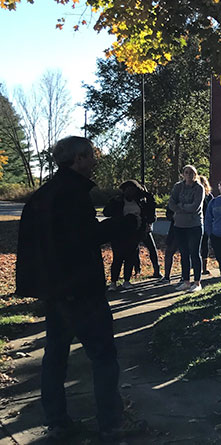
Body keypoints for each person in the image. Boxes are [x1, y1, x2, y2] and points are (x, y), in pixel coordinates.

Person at [16, 136, 138, 442]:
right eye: (91, 156)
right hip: (82, 289)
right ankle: (111, 424)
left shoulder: (43, 195)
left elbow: (34, 244)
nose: (95, 160)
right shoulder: (74, 194)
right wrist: (124, 223)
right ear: (78, 159)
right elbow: (84, 238)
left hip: (55, 291)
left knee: (55, 356)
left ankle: (57, 421)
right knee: (103, 356)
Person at [103, 180, 154, 291]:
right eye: (128, 189)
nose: (130, 192)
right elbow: (106, 212)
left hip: (134, 233)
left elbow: (150, 211)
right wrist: (114, 204)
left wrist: (146, 195)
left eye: (133, 190)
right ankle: (113, 282)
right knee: (118, 258)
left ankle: (127, 280)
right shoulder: (118, 201)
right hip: (119, 233)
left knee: (130, 257)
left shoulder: (140, 202)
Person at [167, 165, 205, 292]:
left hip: (194, 225)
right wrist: (181, 208)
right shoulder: (178, 186)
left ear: (195, 174)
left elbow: (195, 206)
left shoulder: (199, 188)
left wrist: (180, 206)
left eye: (191, 173)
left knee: (194, 252)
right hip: (179, 225)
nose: (188, 175)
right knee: (184, 254)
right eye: (186, 172)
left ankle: (197, 282)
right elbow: (171, 203)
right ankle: (186, 281)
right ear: (183, 174)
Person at [137, 184, 161, 279]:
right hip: (138, 228)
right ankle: (137, 269)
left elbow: (152, 215)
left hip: (145, 228)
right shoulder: (136, 203)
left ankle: (156, 269)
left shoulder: (147, 204)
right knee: (135, 250)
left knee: (152, 248)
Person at [199, 175, 214, 275]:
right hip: (198, 222)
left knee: (204, 245)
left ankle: (204, 267)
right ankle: (200, 267)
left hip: (205, 223)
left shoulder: (209, 197)